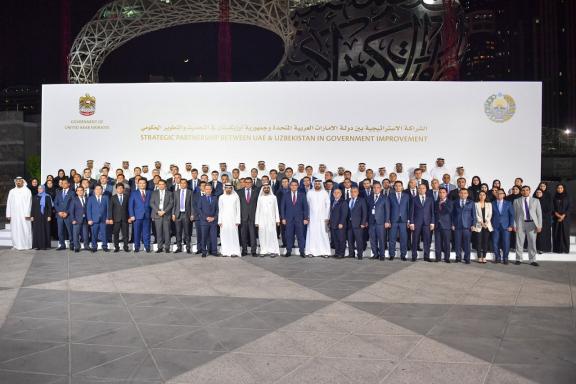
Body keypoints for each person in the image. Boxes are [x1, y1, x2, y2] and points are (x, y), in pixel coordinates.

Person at [513, 185, 542, 266]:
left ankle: (532, 260)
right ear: (521, 191)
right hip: (520, 223)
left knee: (532, 242)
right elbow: (514, 215)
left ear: (529, 191)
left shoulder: (536, 201)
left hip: (532, 224)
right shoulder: (516, 201)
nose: (525, 191)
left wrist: (539, 225)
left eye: (527, 190)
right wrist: (514, 225)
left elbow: (539, 214)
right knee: (519, 242)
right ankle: (519, 259)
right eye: (523, 190)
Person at [280, 181, 309, 257]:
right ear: (290, 186)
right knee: (289, 236)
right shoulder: (285, 195)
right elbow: (282, 207)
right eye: (292, 185)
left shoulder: (302, 195)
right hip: (288, 219)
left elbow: (305, 207)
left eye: (295, 185)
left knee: (300, 236)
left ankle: (302, 251)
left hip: (299, 219)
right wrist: (283, 218)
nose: (293, 186)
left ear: (298, 186)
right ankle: (288, 251)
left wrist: (306, 218)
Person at [305, 179, 332, 257]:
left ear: (321, 184)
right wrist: (308, 217)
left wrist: (327, 217)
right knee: (312, 234)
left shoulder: (324, 193)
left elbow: (328, 205)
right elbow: (307, 205)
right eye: (315, 183)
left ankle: (325, 252)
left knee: (323, 234)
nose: (317, 184)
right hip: (312, 218)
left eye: (318, 183)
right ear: (314, 184)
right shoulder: (309, 193)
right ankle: (311, 252)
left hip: (322, 218)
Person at [409, 183, 435, 262]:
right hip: (416, 223)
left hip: (427, 223)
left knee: (427, 240)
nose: (421, 190)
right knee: (415, 240)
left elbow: (432, 212)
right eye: (419, 188)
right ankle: (414, 256)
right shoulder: (414, 199)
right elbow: (411, 212)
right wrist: (411, 222)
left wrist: (432, 222)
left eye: (423, 188)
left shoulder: (430, 199)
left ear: (426, 189)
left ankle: (426, 256)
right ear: (417, 189)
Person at [6, 177, 33, 250]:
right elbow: (9, 203)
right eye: (17, 181)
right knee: (15, 230)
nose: (18, 182)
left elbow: (29, 203)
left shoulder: (27, 191)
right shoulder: (12, 191)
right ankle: (16, 245)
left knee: (25, 229)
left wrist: (28, 214)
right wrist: (8, 214)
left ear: (23, 182)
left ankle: (26, 245)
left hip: (24, 215)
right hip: (14, 215)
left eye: (20, 181)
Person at [255, 184, 281, 256]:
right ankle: (263, 251)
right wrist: (256, 221)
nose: (266, 189)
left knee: (271, 234)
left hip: (271, 220)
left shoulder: (273, 197)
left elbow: (276, 209)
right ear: (263, 189)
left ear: (269, 189)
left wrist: (277, 220)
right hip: (261, 220)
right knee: (262, 235)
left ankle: (272, 250)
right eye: (265, 188)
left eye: (267, 188)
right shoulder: (260, 198)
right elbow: (258, 210)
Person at [452, 189, 476, 264]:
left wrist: (473, 224)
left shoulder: (471, 203)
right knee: (457, 242)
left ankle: (467, 258)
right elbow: (452, 214)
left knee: (467, 243)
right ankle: (458, 257)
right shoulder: (455, 202)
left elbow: (474, 215)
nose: (463, 194)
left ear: (467, 194)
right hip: (457, 226)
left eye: (465, 193)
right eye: (461, 193)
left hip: (467, 226)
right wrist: (452, 224)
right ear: (459, 194)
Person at [367, 182, 390, 260]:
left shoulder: (384, 197)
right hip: (371, 222)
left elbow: (387, 210)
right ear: (372, 189)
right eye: (374, 188)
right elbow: (367, 210)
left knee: (381, 239)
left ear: (380, 189)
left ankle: (382, 255)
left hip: (381, 222)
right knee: (372, 239)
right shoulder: (369, 197)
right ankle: (375, 254)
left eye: (377, 187)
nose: (376, 189)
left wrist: (387, 221)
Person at [491, 189, 514, 264]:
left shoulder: (508, 203)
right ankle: (497, 258)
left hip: (506, 226)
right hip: (495, 226)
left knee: (506, 242)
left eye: (501, 193)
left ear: (504, 195)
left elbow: (512, 215)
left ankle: (505, 258)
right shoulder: (492, 203)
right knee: (495, 242)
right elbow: (491, 215)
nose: (499, 195)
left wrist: (511, 225)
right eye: (497, 193)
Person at [150, 180, 174, 253]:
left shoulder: (169, 193)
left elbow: (171, 203)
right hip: (157, 215)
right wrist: (158, 211)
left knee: (167, 232)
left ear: (165, 185)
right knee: (158, 232)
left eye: (162, 184)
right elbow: (151, 203)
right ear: (158, 185)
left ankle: (167, 247)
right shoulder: (154, 193)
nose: (161, 185)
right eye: (159, 184)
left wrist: (164, 211)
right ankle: (159, 247)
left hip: (166, 215)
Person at [129, 178, 152, 253]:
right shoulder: (134, 193)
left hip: (147, 216)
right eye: (140, 183)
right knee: (137, 232)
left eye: (144, 183)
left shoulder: (149, 192)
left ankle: (147, 246)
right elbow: (130, 205)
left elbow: (152, 204)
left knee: (146, 232)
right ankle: (137, 247)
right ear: (138, 184)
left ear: (146, 184)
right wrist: (132, 215)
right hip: (137, 216)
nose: (142, 184)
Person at [217, 184, 241, 257]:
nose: (228, 189)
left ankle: (234, 251)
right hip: (224, 220)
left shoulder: (236, 197)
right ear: (224, 189)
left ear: (232, 188)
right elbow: (220, 210)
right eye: (226, 188)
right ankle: (225, 251)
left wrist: (238, 220)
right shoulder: (221, 197)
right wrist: (219, 221)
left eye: (229, 188)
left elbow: (238, 209)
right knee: (224, 235)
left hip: (233, 220)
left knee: (233, 236)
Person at [389, 181, 410, 261]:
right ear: (394, 187)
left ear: (402, 187)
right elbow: (389, 208)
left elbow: (408, 208)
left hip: (403, 220)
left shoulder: (406, 196)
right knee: (392, 238)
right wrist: (388, 220)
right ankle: (392, 255)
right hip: (393, 219)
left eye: (399, 186)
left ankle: (403, 255)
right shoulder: (390, 196)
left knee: (404, 238)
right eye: (396, 186)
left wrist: (408, 220)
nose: (398, 187)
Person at [172, 179, 194, 254]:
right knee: (178, 232)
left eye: (184, 183)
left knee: (187, 232)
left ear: (186, 184)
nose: (183, 184)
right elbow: (174, 204)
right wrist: (173, 214)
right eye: (181, 183)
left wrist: (192, 214)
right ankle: (179, 247)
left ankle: (188, 247)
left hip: (186, 214)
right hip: (178, 214)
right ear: (180, 184)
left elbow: (192, 204)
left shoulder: (190, 192)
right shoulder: (176, 192)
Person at [238, 177, 259, 256]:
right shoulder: (239, 192)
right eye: (246, 182)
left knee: (253, 235)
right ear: (244, 183)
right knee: (243, 235)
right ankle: (244, 250)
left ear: (252, 183)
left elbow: (258, 206)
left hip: (253, 217)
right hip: (243, 217)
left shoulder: (256, 192)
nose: (247, 184)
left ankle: (254, 251)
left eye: (249, 182)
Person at [86, 185, 110, 252]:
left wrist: (108, 218)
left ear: (102, 190)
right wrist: (89, 219)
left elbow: (108, 209)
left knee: (104, 233)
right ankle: (94, 247)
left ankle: (105, 246)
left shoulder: (106, 198)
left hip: (104, 219)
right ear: (94, 191)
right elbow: (88, 209)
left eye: (100, 189)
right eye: (97, 189)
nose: (98, 190)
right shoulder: (91, 198)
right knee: (94, 234)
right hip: (94, 220)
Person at [197, 184, 219, 257]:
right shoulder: (201, 198)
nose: (208, 190)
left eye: (209, 189)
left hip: (213, 221)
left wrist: (214, 218)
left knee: (213, 237)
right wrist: (206, 218)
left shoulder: (215, 198)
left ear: (211, 190)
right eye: (206, 189)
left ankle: (214, 251)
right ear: (204, 190)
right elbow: (199, 209)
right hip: (204, 221)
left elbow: (217, 209)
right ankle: (204, 252)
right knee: (204, 237)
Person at [347, 187, 367, 259]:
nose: (353, 193)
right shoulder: (348, 200)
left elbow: (364, 213)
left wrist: (363, 223)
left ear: (358, 193)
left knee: (359, 240)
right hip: (349, 224)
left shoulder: (361, 200)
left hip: (358, 224)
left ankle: (360, 255)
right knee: (350, 240)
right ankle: (351, 254)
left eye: (355, 191)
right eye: (351, 192)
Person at [30, 184, 53, 250]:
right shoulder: (35, 197)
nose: (39, 189)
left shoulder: (47, 197)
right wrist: (32, 216)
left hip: (45, 216)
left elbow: (49, 208)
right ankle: (36, 245)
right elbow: (33, 207)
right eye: (38, 188)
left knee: (45, 230)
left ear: (44, 189)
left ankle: (45, 246)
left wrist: (49, 215)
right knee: (37, 231)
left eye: (41, 188)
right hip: (36, 216)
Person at [473, 190, 493, 263]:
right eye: (480, 195)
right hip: (479, 225)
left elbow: (490, 214)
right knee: (478, 241)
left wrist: (486, 222)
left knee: (485, 242)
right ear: (478, 196)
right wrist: (481, 222)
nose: (482, 196)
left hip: (487, 225)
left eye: (483, 195)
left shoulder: (489, 204)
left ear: (485, 196)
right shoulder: (475, 204)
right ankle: (479, 257)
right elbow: (475, 215)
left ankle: (484, 257)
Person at [54, 178, 74, 250]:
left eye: (65, 183)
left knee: (70, 231)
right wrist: (59, 211)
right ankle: (62, 245)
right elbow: (55, 203)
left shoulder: (72, 193)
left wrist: (67, 212)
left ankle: (72, 244)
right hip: (59, 215)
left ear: (68, 184)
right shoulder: (59, 192)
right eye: (62, 183)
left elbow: (72, 204)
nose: (63, 184)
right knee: (60, 231)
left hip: (68, 215)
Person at [109, 183, 130, 252]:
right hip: (116, 219)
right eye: (118, 188)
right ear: (116, 189)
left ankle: (126, 247)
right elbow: (110, 209)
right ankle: (116, 247)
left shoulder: (127, 197)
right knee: (116, 234)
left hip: (125, 218)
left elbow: (129, 208)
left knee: (125, 234)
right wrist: (110, 218)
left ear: (123, 189)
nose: (120, 189)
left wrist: (129, 217)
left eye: (121, 188)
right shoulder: (113, 197)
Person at [69, 186, 90, 252]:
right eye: (78, 190)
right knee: (76, 234)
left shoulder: (87, 199)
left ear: (84, 191)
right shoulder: (74, 199)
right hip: (77, 220)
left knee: (85, 234)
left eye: (81, 190)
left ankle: (86, 246)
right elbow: (71, 211)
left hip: (85, 219)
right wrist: (73, 219)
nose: (80, 192)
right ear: (76, 192)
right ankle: (77, 247)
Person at [434, 188, 453, 262]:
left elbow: (449, 211)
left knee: (447, 243)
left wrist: (443, 203)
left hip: (446, 225)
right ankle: (438, 258)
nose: (441, 194)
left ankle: (447, 258)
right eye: (440, 192)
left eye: (443, 192)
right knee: (437, 243)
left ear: (446, 193)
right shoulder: (435, 202)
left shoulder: (450, 202)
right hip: (437, 225)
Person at [552, 183, 570, 253]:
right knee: (556, 233)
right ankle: (556, 249)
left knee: (565, 234)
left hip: (565, 218)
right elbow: (552, 207)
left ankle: (565, 249)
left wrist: (563, 215)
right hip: (556, 218)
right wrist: (557, 214)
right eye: (558, 188)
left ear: (563, 189)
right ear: (556, 189)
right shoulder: (554, 197)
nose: (560, 189)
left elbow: (569, 207)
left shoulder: (567, 197)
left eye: (561, 188)